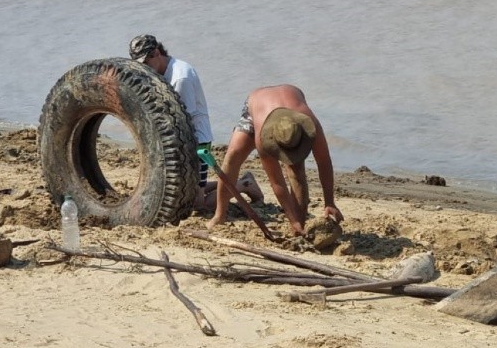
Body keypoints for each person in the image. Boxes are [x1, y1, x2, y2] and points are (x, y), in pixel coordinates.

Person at [128, 35, 262, 211]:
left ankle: (244, 184)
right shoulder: (160, 72)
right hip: (181, 138)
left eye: (146, 62)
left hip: (197, 139)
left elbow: (184, 117)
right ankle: (229, 183)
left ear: (157, 53)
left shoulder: (180, 77)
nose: (145, 68)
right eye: (141, 64)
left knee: (199, 204)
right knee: (192, 188)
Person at [206, 84, 343, 235]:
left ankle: (300, 224)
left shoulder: (311, 124)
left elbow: (324, 162)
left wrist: (329, 202)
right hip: (256, 109)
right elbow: (277, 182)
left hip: (291, 106)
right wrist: (292, 220)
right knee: (232, 156)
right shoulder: (262, 139)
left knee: (297, 170)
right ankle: (219, 215)